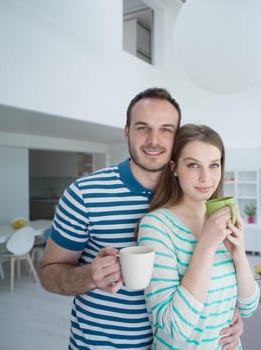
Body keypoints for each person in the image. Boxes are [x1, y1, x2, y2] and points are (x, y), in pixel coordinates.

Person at [39, 88, 244, 349]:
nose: (153, 140)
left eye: (166, 129)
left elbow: (211, 273)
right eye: (142, 128)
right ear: (127, 132)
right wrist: (90, 276)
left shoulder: (196, 199)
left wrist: (225, 314)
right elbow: (48, 274)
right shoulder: (84, 194)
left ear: (176, 137)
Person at [137, 124, 260, 349]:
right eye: (193, 165)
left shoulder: (220, 218)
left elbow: (249, 307)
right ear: (174, 168)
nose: (206, 177)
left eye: (214, 165)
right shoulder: (156, 226)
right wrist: (206, 246)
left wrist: (239, 254)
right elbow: (174, 328)